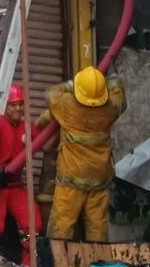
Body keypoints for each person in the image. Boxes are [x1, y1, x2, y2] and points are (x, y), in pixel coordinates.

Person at [37, 67, 125, 242]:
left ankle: (57, 264)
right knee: (97, 226)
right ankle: (97, 263)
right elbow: (120, 100)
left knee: (62, 225)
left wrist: (70, 85)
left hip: (71, 178)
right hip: (99, 177)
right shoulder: (110, 109)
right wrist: (113, 78)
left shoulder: (67, 105)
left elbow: (49, 94)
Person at [0, 84, 41, 265]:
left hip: (14, 184)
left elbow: (46, 144)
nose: (18, 108)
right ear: (5, 106)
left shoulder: (26, 128)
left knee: (33, 222)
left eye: (21, 104)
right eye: (14, 104)